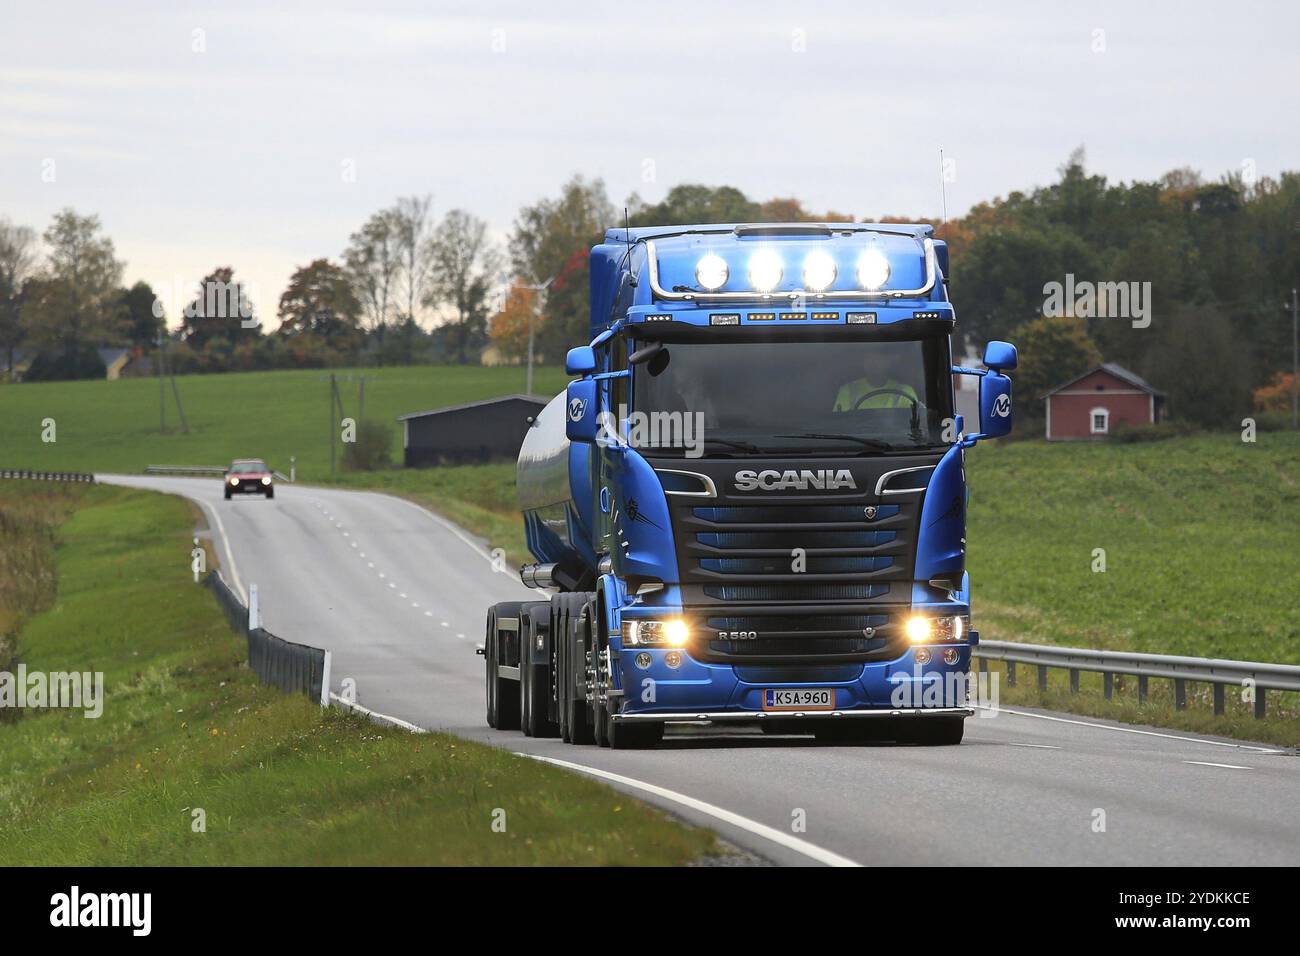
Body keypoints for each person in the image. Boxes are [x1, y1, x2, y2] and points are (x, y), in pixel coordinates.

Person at [833, 356, 919, 411]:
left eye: (879, 358)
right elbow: (840, 424)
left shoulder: (905, 391)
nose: (874, 363)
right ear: (863, 363)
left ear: (888, 363)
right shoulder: (848, 390)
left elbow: (915, 426)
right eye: (869, 357)